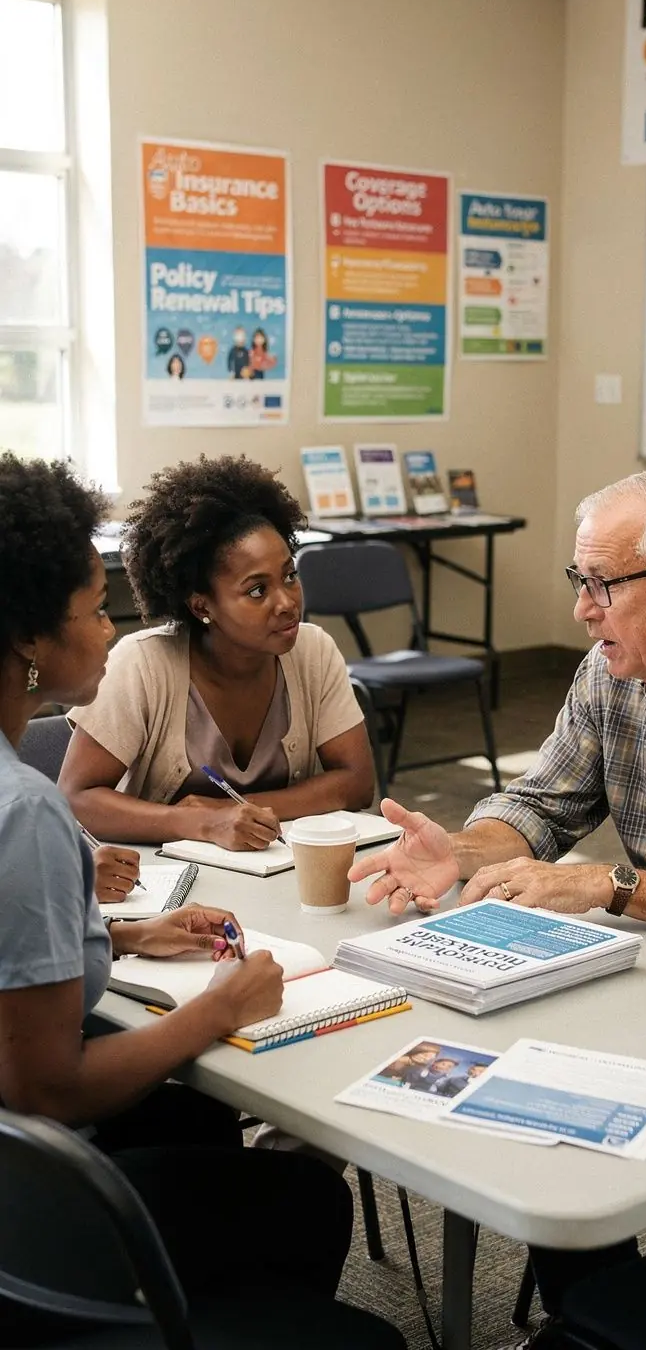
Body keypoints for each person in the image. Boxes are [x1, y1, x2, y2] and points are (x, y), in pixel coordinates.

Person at [352, 469, 646, 1342]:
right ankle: (597, 1316)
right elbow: (544, 805)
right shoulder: (614, 670)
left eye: (602, 585)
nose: (582, 612)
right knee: (534, 1112)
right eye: (578, 583)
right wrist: (464, 850)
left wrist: (612, 884)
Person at [0, 452, 404, 1350]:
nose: (111, 631)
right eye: (94, 610)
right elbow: (43, 1089)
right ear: (31, 636)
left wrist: (135, 928)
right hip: (36, 1198)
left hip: (23, 1190)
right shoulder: (25, 814)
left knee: (196, 1118)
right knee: (303, 1200)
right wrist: (222, 1006)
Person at [60, 454, 374, 850]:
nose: (287, 602)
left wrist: (236, 813)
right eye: (257, 590)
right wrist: (200, 823)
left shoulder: (313, 651)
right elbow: (75, 798)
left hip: (281, 879)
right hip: (174, 893)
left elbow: (357, 782)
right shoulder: (143, 664)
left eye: (289, 576)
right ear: (202, 606)